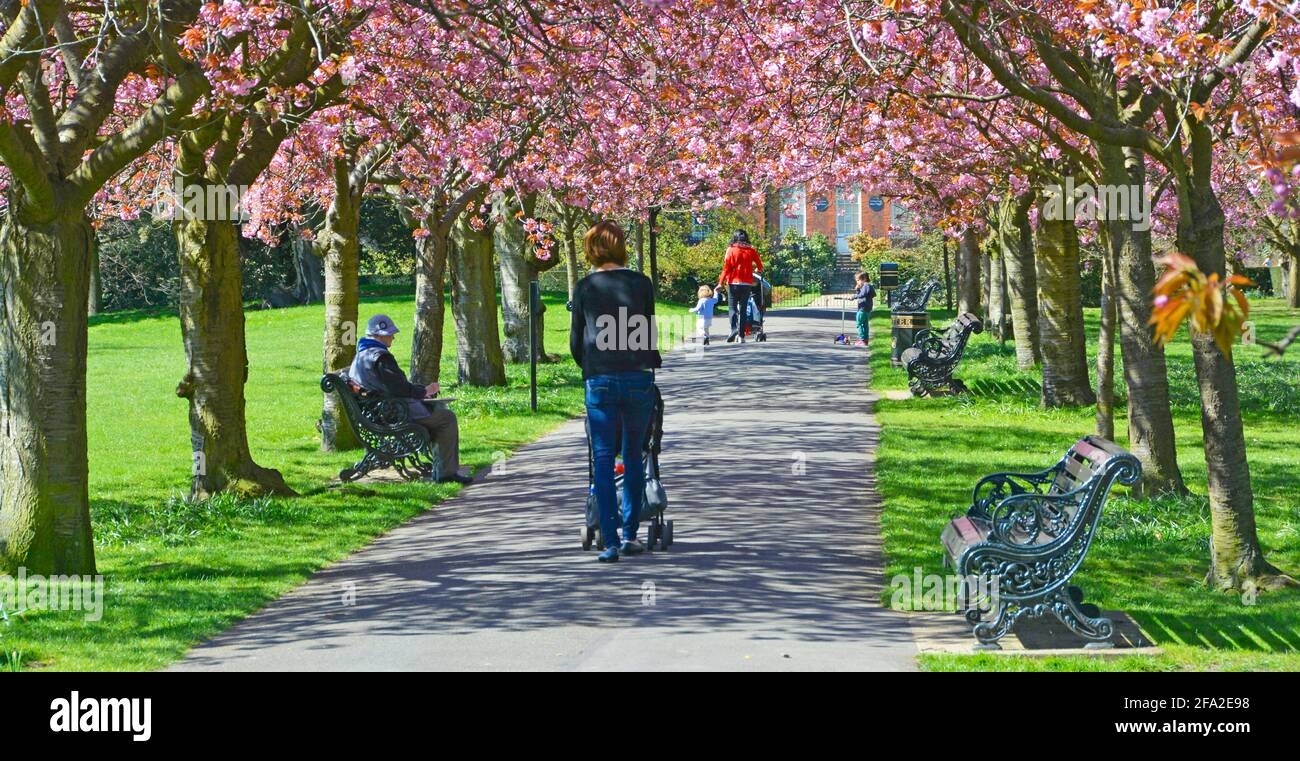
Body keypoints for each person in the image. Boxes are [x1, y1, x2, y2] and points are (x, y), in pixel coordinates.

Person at [570, 220, 662, 563]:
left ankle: (608, 541)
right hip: (638, 376)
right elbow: (647, 328)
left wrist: (591, 365)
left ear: (592, 249)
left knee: (605, 457)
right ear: (622, 246)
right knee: (634, 454)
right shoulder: (641, 284)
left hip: (602, 379)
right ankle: (630, 535)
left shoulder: (585, 287)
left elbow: (577, 340)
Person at [348, 314, 472, 484]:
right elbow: (400, 389)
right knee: (446, 418)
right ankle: (445, 473)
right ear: (379, 335)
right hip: (394, 414)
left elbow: (395, 386)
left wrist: (422, 393)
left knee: (437, 412)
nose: (393, 336)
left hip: (378, 412)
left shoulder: (361, 355)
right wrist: (425, 391)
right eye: (390, 333)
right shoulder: (381, 357)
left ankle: (442, 467)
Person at [717, 229, 763, 343]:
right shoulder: (751, 250)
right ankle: (741, 336)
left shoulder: (731, 250)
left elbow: (726, 268)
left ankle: (733, 329)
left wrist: (720, 283)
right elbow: (760, 265)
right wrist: (757, 270)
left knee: (732, 308)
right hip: (747, 284)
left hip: (733, 283)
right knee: (743, 309)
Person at [851, 271, 877, 347]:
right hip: (867, 309)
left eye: (859, 280)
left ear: (864, 279)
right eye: (857, 280)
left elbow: (863, 294)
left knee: (859, 324)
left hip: (862, 309)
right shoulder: (868, 286)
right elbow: (870, 294)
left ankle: (861, 339)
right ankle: (865, 340)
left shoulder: (866, 285)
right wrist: (858, 289)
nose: (858, 282)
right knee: (865, 325)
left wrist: (854, 296)